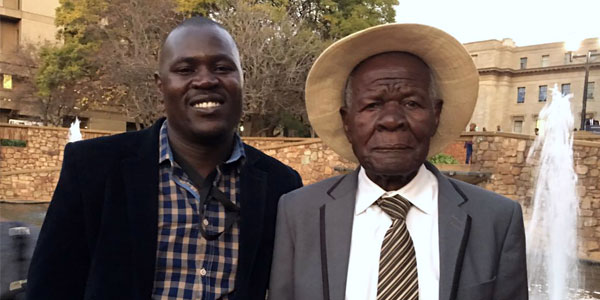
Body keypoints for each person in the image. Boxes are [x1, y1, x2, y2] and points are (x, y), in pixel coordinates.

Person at [27, 17, 302, 300]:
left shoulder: (281, 186)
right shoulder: (92, 169)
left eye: (222, 68)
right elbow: (50, 286)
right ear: (161, 85)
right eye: (185, 69)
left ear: (242, 79)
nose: (206, 80)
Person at [269, 24, 527, 300]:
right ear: (347, 121)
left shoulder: (496, 220)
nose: (392, 120)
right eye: (372, 105)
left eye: (411, 103)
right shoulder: (298, 213)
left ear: (436, 114)